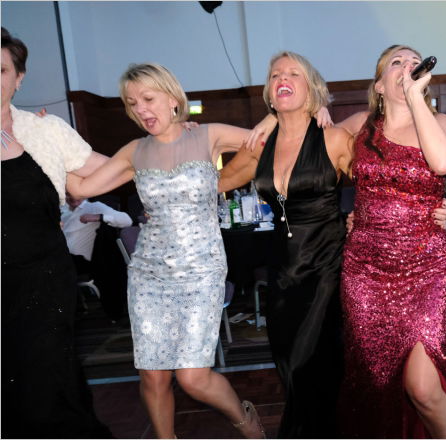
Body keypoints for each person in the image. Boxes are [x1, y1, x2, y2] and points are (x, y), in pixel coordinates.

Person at [66, 62, 266, 439]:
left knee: (193, 378)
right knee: (153, 375)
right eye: (132, 103)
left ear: (173, 98)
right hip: (149, 274)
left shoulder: (208, 134)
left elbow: (269, 138)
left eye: (148, 98)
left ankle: (245, 421)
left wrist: (311, 113)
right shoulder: (134, 151)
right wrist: (49, 139)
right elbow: (80, 188)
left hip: (201, 270)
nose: (140, 109)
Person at [219, 51, 353, 438]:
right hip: (281, 270)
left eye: (294, 73)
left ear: (311, 87)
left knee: (315, 363)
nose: (283, 78)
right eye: (276, 74)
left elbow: (378, 181)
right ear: (269, 91)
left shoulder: (333, 137)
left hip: (328, 268)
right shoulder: (259, 146)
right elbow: (217, 182)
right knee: (288, 363)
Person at [332, 44, 446, 439]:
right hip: (365, 271)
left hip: (427, 267)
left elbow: (443, 163)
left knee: (422, 386)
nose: (408, 66)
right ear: (379, 85)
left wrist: (415, 98)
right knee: (376, 380)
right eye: (397, 62)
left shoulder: (440, 122)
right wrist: (308, 112)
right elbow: (309, 142)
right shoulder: (361, 124)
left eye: (414, 62)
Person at [1, 27, 111, 438]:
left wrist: (168, 145)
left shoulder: (45, 131)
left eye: (1, 70)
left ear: (19, 78)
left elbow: (107, 168)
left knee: (47, 385)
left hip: (43, 284)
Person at [61, 192, 132, 274]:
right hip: (64, 258)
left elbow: (127, 221)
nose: (72, 197)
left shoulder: (94, 207)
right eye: (68, 194)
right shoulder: (64, 214)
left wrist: (99, 217)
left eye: (74, 193)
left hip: (82, 264)